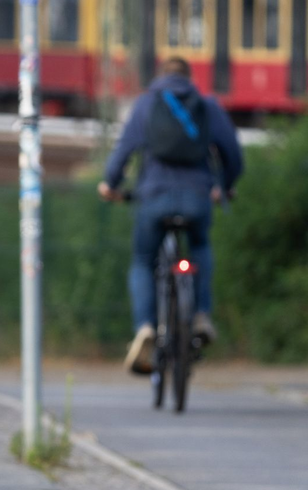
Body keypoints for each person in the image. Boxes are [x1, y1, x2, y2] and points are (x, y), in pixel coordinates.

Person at [98, 57, 243, 374]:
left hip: (153, 198)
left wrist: (110, 185)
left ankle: (145, 327)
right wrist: (224, 185)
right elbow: (233, 155)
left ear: (159, 77)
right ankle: (201, 315)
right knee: (200, 247)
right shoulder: (207, 105)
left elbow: (123, 151)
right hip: (197, 198)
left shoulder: (146, 104)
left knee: (143, 260)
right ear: (190, 79)